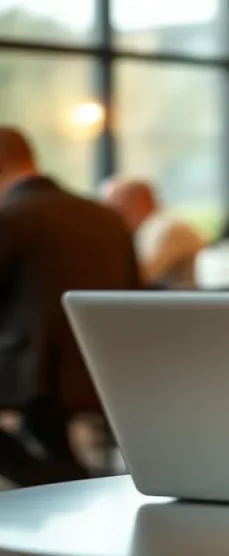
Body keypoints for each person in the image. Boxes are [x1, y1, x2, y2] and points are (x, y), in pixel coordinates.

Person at [0, 127, 140, 487]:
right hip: (106, 366)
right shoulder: (106, 217)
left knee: (47, 446)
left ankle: (54, 488)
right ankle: (63, 486)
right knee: (49, 438)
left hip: (31, 372)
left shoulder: (11, 216)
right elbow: (134, 292)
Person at [101, 178, 205, 289]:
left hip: (176, 303)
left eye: (114, 204)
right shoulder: (153, 228)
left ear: (141, 201)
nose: (109, 214)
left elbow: (137, 276)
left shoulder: (165, 228)